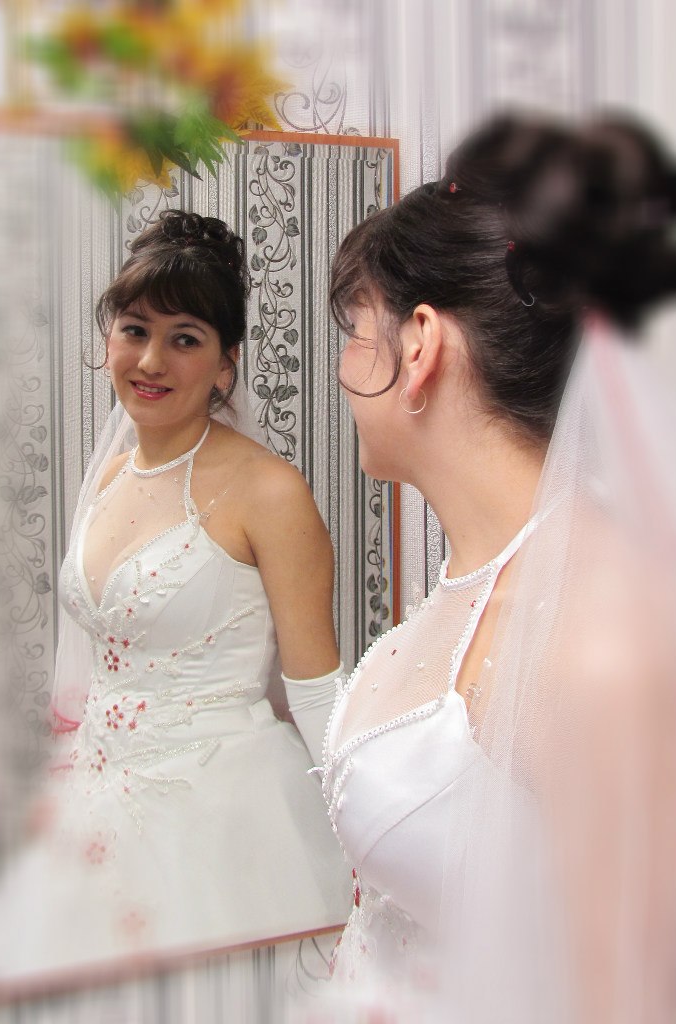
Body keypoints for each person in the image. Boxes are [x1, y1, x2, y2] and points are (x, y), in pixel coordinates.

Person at [316, 113, 676, 1022]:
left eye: (354, 330)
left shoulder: (593, 637)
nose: (342, 368)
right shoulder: (478, 577)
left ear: (419, 344)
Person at [0, 210, 351, 982]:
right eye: (134, 330)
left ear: (226, 364)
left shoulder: (271, 493)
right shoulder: (112, 475)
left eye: (185, 338)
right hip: (92, 802)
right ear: (109, 341)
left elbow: (316, 689)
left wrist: (370, 842)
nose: (151, 361)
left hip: (222, 817)